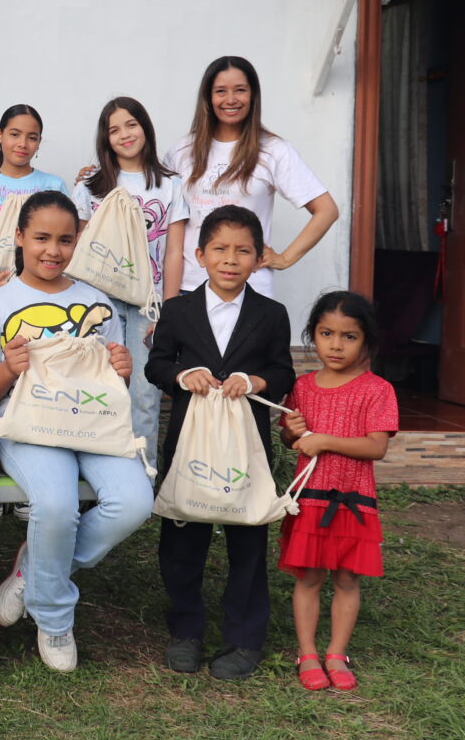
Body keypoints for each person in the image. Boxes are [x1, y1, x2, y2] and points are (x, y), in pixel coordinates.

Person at [0, 191, 150, 673]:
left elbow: (113, 382)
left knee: (134, 502)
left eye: (65, 239)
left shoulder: (95, 300)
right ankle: (53, 618)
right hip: (25, 425)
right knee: (55, 506)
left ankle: (36, 569)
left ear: (78, 241)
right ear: (20, 238)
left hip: (92, 422)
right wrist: (9, 368)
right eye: (41, 238)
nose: (53, 250)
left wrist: (122, 368)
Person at [144, 205, 295, 681]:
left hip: (245, 446)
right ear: (200, 254)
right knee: (183, 536)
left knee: (247, 537)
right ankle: (185, 629)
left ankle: (244, 638)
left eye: (243, 250)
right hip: (191, 443)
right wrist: (183, 374)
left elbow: (283, 371)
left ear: (258, 258)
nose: (231, 259)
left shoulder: (271, 315)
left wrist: (254, 380)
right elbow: (156, 364)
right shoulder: (179, 310)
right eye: (221, 249)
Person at [278, 291, 395, 693]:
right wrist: (291, 433)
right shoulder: (303, 386)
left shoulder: (377, 390)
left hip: (353, 504)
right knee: (309, 577)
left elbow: (375, 446)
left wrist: (323, 439)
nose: (336, 344)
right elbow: (292, 439)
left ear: (366, 342)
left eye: (349, 336)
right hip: (310, 501)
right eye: (327, 333)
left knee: (347, 579)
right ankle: (307, 652)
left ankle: (336, 653)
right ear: (313, 335)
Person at [72, 97, 189, 471]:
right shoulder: (89, 186)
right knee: (94, 389)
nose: (125, 134)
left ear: (146, 128)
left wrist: (168, 312)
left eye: (131, 124)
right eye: (114, 129)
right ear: (105, 139)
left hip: (147, 306)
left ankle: (141, 474)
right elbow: (80, 251)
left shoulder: (170, 185)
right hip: (98, 302)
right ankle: (92, 476)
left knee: (143, 394)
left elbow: (174, 253)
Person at [163, 56, 338, 297]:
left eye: (240, 90)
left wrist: (285, 258)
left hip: (250, 292)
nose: (231, 99)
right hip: (190, 288)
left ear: (252, 95)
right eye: (221, 91)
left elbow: (326, 210)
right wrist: (94, 178)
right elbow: (155, 207)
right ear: (208, 97)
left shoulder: (274, 150)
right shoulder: (182, 152)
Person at [0, 104, 68, 292]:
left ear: (39, 141)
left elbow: (67, 239)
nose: (23, 144)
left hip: (44, 287)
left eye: (32, 137)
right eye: (15, 134)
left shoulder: (54, 185)